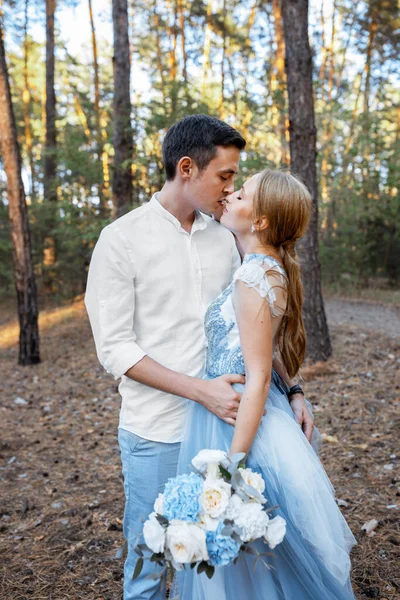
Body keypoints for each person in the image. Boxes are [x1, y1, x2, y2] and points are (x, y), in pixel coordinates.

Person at [84, 114, 314, 599]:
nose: (230, 189)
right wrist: (200, 392)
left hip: (225, 432)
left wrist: (292, 388)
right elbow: (116, 349)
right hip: (157, 432)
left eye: (236, 179)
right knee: (150, 560)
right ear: (186, 168)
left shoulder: (226, 237)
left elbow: (251, 333)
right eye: (224, 176)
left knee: (224, 566)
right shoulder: (120, 240)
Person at [174, 169, 357, 599]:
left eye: (240, 195)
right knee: (254, 558)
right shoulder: (263, 268)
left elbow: (257, 375)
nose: (229, 197)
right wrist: (295, 389)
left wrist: (230, 469)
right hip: (236, 405)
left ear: (259, 222)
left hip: (238, 418)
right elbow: (264, 350)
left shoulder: (254, 276)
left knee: (253, 554)